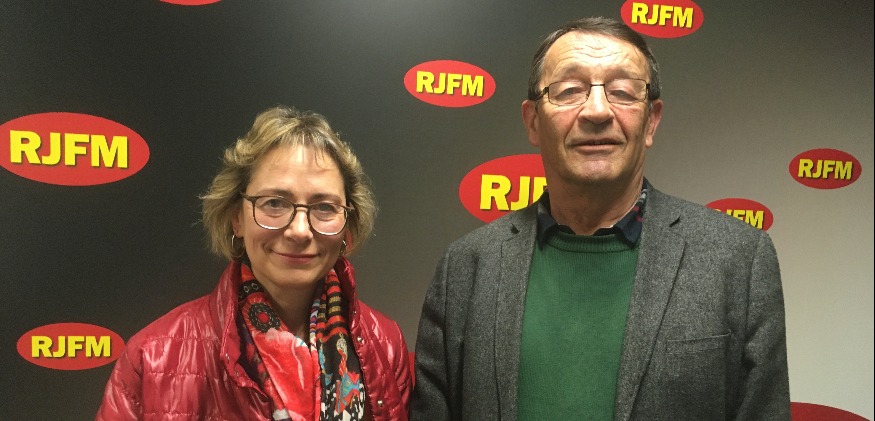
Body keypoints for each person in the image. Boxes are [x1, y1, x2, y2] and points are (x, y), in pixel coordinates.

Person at [410, 17, 790, 421]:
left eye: (622, 91)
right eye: (569, 90)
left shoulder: (737, 260)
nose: (596, 111)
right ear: (533, 121)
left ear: (652, 120)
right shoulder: (465, 269)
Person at [97, 105, 412, 420]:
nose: (299, 231)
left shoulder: (385, 345)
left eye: (325, 207)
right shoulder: (150, 359)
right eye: (274, 203)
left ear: (347, 225)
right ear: (237, 218)